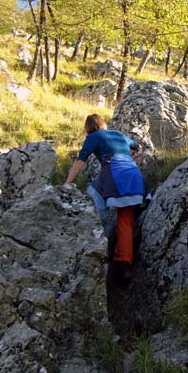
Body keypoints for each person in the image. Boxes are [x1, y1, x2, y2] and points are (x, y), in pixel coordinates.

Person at [65, 113, 146, 282]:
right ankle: (123, 265)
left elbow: (80, 162)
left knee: (92, 196)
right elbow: (137, 146)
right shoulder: (118, 134)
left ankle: (96, 240)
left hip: (114, 174)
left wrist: (67, 184)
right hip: (135, 177)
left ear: (88, 128)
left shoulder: (93, 137)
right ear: (103, 124)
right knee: (125, 220)